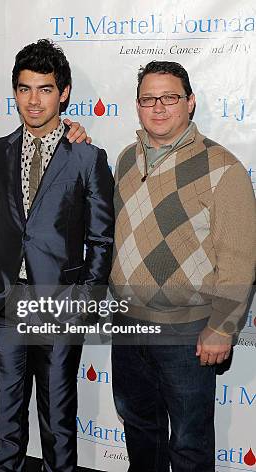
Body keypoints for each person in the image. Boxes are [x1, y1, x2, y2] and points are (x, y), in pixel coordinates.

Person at [0, 39, 114, 472]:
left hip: (59, 304)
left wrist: (83, 301)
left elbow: (102, 240)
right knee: (7, 420)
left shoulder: (87, 157)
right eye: (25, 88)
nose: (34, 100)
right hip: (4, 302)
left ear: (63, 92)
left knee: (58, 422)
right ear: (14, 91)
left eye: (45, 89)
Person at [110, 61, 256, 471]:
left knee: (190, 443)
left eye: (170, 97)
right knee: (140, 432)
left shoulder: (222, 168)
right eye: (148, 99)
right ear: (138, 105)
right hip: (127, 326)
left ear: (190, 102)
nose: (159, 108)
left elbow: (239, 259)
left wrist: (223, 326)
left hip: (187, 333)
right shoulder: (125, 160)